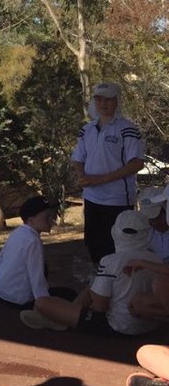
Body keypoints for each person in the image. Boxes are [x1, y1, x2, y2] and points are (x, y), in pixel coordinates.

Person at [21, 211, 168, 336]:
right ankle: (60, 319)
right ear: (147, 234)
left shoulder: (110, 261)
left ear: (115, 232)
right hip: (150, 325)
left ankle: (60, 320)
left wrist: (87, 305)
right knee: (94, 285)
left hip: (117, 325)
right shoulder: (156, 260)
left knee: (42, 303)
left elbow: (99, 307)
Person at [72, 82, 144, 264]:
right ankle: (100, 284)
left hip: (118, 200)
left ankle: (120, 287)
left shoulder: (128, 129)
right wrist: (82, 176)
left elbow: (136, 163)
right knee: (94, 245)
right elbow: (78, 158)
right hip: (91, 199)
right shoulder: (86, 130)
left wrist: (101, 179)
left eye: (109, 99)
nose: (103, 104)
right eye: (99, 99)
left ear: (117, 102)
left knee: (118, 246)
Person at [0, 196, 77, 308]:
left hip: (0, 289)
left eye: (52, 216)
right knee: (70, 295)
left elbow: (0, 260)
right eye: (46, 217)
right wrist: (44, 303)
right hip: (17, 299)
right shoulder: (33, 241)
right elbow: (37, 277)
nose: (52, 220)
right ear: (31, 220)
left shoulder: (17, 233)